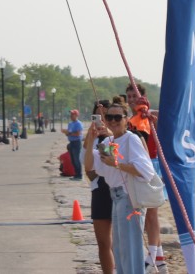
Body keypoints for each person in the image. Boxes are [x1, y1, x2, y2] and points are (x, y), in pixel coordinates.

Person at [84, 97, 156, 274]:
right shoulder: (107, 143)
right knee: (120, 249)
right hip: (115, 196)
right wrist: (91, 139)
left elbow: (146, 171)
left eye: (118, 117)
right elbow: (90, 167)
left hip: (129, 197)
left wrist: (117, 164)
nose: (113, 121)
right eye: (109, 117)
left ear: (126, 119)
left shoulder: (131, 139)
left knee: (130, 249)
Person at [126, 81, 168, 273]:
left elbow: (163, 127)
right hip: (139, 166)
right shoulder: (131, 120)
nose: (132, 100)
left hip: (152, 164)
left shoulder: (149, 116)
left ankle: (151, 258)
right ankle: (159, 259)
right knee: (148, 213)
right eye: (129, 97)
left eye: (134, 96)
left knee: (151, 213)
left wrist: (151, 116)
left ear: (142, 97)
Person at [82, 99, 114, 274]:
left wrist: (108, 135)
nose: (102, 119)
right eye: (98, 115)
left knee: (120, 240)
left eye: (106, 115)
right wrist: (91, 137)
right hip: (99, 188)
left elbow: (111, 161)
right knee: (103, 242)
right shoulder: (91, 135)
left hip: (117, 189)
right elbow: (86, 165)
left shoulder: (119, 135)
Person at [61, 108, 84, 180]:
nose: (71, 116)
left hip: (77, 142)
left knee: (77, 159)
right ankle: (75, 174)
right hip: (71, 142)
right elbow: (69, 133)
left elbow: (78, 133)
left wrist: (69, 133)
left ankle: (79, 175)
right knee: (73, 160)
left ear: (76, 115)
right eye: (71, 114)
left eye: (73, 114)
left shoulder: (78, 124)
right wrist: (66, 132)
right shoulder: (70, 124)